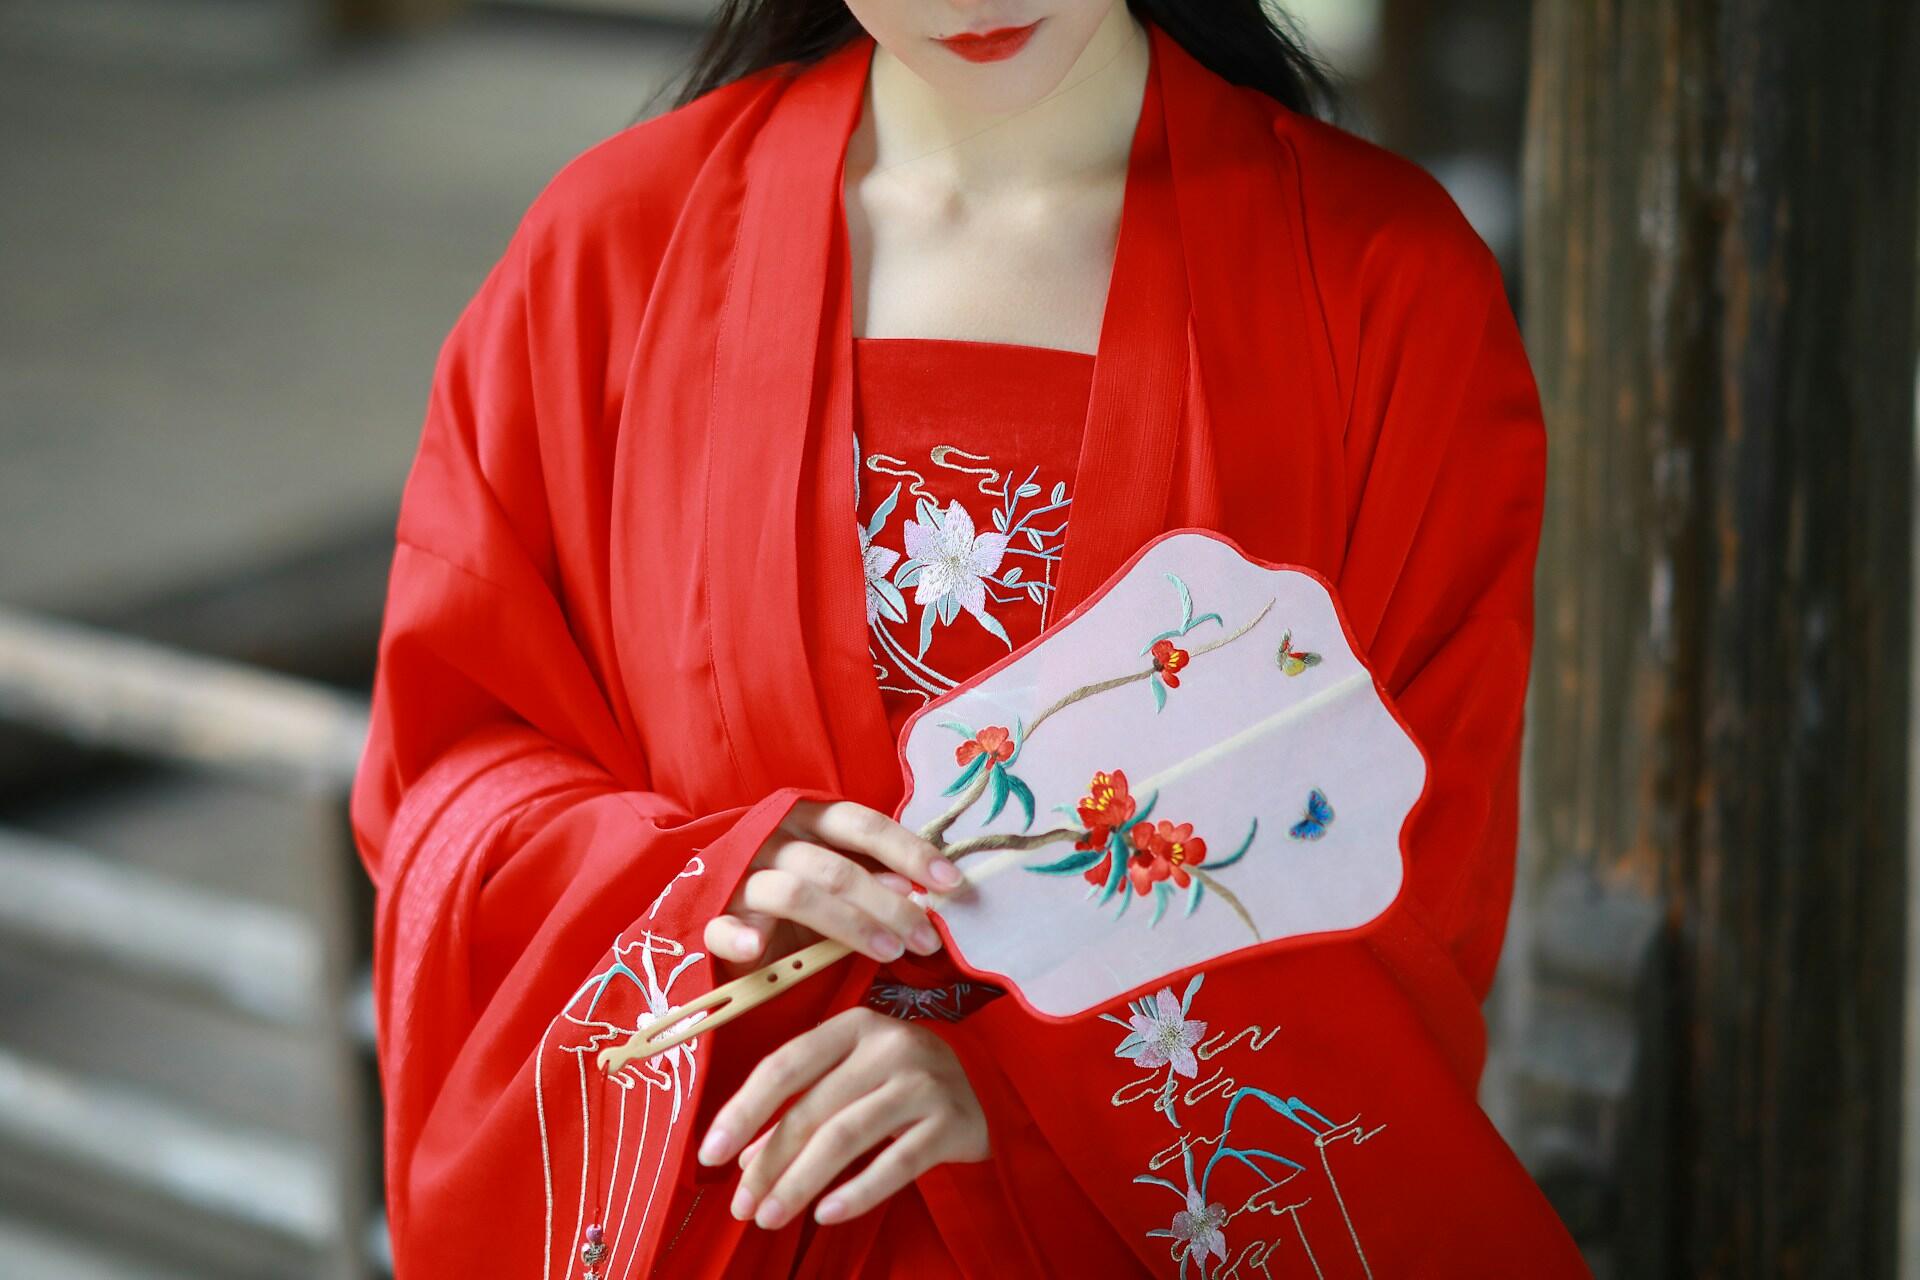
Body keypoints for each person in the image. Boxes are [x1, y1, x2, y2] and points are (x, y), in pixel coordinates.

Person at [350, 2, 1589, 1276]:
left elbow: (1409, 871)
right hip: (732, 1208)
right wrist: (700, 882)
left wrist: (1027, 1100)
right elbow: (451, 766)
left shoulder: (1382, 285)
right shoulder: (610, 254)